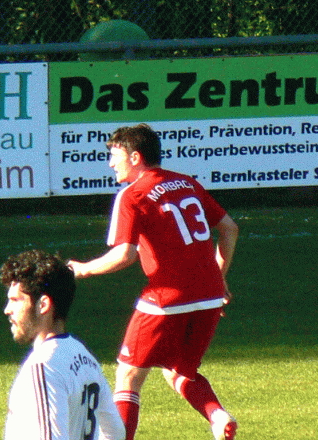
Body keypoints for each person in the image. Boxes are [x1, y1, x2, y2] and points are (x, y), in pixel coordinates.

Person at [67, 123, 239, 440]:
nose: (111, 163)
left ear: (135, 157)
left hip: (166, 298)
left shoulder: (132, 195)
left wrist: (82, 270)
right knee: (179, 370)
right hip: (211, 294)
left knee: (128, 376)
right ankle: (218, 416)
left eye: (115, 155)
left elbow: (124, 255)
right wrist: (219, 274)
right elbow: (229, 228)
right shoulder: (187, 183)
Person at [1, 249, 125, 440]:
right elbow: (116, 432)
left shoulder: (43, 366)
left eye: (16, 300)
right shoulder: (85, 358)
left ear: (43, 305)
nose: (7, 310)